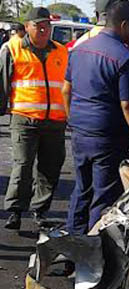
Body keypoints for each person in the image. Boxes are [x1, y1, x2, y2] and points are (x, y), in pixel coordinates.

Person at [63, 1, 129, 235]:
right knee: (103, 196)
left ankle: (74, 242)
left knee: (82, 190)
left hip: (80, 133)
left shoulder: (79, 49)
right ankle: (93, 255)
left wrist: (75, 121)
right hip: (107, 138)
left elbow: (65, 91)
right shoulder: (124, 57)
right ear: (124, 25)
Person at [0, 7, 69, 230]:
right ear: (27, 27)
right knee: (23, 166)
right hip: (24, 118)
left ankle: (40, 209)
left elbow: (70, 85)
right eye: (38, 25)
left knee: (50, 168)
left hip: (55, 121)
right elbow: (2, 82)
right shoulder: (12, 49)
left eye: (47, 25)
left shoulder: (61, 52)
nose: (43, 29)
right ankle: (15, 211)